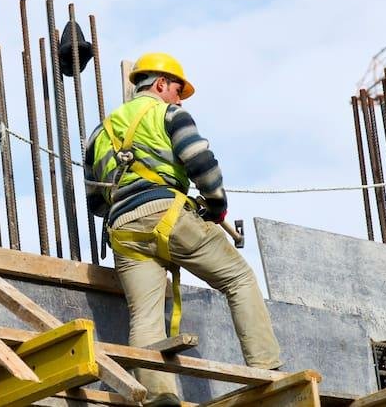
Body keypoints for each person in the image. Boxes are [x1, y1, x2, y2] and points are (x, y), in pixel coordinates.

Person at [83, 53, 282, 406]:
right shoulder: (169, 114)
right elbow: (201, 162)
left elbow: (95, 202)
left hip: (123, 231)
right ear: (160, 84)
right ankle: (267, 368)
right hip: (168, 215)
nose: (179, 98)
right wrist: (216, 205)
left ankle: (160, 396)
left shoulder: (99, 133)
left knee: (144, 316)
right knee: (238, 279)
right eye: (177, 90)